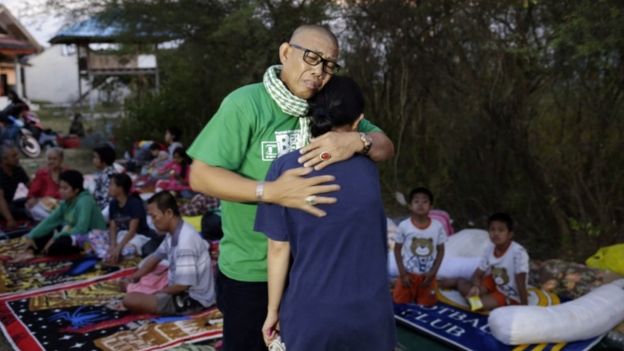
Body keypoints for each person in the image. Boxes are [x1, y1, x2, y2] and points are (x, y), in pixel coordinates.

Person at [187, 24, 395, 350]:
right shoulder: (246, 104)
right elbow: (200, 175)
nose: (319, 72)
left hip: (309, 277)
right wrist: (270, 192)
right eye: (311, 58)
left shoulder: (324, 104)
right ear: (286, 52)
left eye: (328, 65)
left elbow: (385, 146)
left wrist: (358, 140)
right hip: (253, 270)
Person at [256, 76, 396, 350]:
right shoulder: (369, 169)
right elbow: (385, 147)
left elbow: (277, 248)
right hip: (371, 316)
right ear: (359, 121)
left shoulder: (285, 167)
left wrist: (273, 311)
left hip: (311, 316)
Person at [122, 191, 215, 315]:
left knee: (129, 299)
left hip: (191, 299)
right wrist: (134, 278)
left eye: (154, 216)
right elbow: (156, 257)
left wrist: (155, 294)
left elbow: (182, 285)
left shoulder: (186, 240)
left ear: (169, 213)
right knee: (146, 274)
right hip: (179, 286)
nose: (153, 222)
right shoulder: (173, 233)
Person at [445, 213, 529, 310]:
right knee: (471, 292)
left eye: (501, 230)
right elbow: (478, 274)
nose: (496, 233)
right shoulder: (490, 249)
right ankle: (459, 281)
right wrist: (475, 287)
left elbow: (521, 283)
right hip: (494, 281)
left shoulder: (518, 253)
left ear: (510, 234)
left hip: (510, 293)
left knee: (476, 305)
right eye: (492, 230)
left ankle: (458, 283)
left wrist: (525, 308)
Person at [25, 170, 107, 256]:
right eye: (60, 187)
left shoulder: (85, 201)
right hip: (73, 231)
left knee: (56, 246)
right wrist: (31, 235)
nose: (61, 191)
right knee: (41, 235)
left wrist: (56, 237)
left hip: (91, 235)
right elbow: (50, 220)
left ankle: (43, 249)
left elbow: (81, 229)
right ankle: (33, 249)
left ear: (76, 190)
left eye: (65, 188)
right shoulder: (66, 202)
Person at [392, 187, 447, 306]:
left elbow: (441, 251)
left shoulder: (437, 227)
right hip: (408, 275)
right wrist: (402, 274)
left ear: (431, 206)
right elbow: (397, 249)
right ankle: (397, 284)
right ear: (410, 206)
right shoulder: (404, 226)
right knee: (399, 302)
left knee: (428, 305)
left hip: (427, 277)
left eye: (425, 201)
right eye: (416, 201)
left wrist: (433, 273)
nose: (420, 204)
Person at [88, 173, 151, 264]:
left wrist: (118, 248)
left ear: (120, 188)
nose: (109, 187)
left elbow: (132, 231)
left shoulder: (135, 204)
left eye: (111, 184)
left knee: (127, 251)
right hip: (121, 234)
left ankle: (107, 255)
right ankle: (109, 255)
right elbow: (113, 227)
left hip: (136, 236)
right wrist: (113, 245)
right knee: (93, 234)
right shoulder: (113, 204)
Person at [26, 147, 66, 221]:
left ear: (61, 159)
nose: (51, 161)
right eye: (49, 159)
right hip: (45, 206)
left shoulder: (67, 173)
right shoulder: (42, 173)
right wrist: (33, 199)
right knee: (32, 207)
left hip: (63, 205)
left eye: (54, 159)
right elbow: (32, 193)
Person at [0, 144, 30, 228]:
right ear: (4, 160)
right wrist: (9, 219)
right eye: (14, 156)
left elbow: (31, 187)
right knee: (26, 212)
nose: (17, 158)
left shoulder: (17, 169)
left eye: (16, 155)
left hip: (9, 204)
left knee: (29, 203)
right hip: (3, 206)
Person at [92, 145, 117, 210]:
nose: (93, 160)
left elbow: (106, 201)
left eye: (95, 157)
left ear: (103, 161)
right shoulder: (101, 173)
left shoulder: (110, 175)